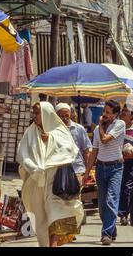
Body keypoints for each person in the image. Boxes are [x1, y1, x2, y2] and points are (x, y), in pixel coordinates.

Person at [17, 102, 83, 247]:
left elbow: (69, 150)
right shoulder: (30, 132)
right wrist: (35, 168)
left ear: (46, 113)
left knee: (55, 214)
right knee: (41, 218)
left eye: (37, 113)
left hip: (56, 182)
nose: (35, 116)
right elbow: (22, 154)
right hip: (37, 182)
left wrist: (51, 139)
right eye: (34, 113)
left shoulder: (59, 131)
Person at [84, 100, 126, 246]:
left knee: (111, 200)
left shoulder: (120, 125)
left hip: (115, 168)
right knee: (102, 206)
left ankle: (106, 234)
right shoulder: (96, 130)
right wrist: (87, 171)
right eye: (104, 112)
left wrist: (100, 126)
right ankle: (111, 227)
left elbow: (105, 140)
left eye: (108, 112)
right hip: (101, 168)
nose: (105, 115)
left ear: (115, 114)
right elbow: (94, 150)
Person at [55, 103, 92, 187]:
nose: (65, 118)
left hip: (77, 169)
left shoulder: (79, 129)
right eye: (61, 116)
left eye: (66, 115)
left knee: (76, 198)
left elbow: (86, 150)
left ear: (70, 114)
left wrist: (87, 170)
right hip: (59, 172)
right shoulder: (53, 130)